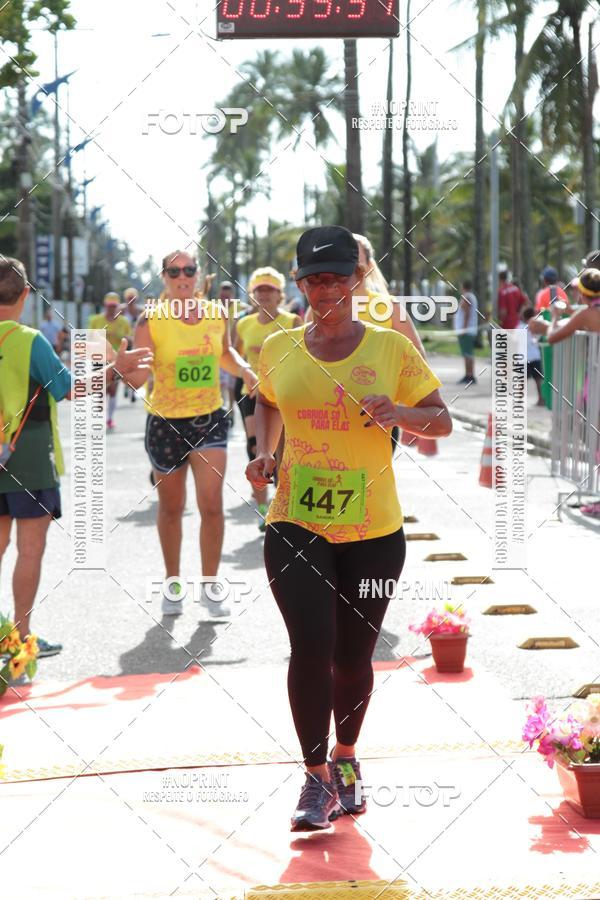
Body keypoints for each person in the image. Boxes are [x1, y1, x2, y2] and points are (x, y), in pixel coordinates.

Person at [246, 227, 451, 831]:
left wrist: (400, 412)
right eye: (313, 280)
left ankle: (346, 758)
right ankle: (315, 781)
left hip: (373, 530)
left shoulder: (391, 348)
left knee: (354, 655)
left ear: (358, 281)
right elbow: (268, 401)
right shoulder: (279, 346)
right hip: (296, 520)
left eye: (337, 278)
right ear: (300, 285)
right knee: (311, 648)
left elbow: (441, 420)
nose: (325, 290)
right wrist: (265, 452)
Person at [0, 258, 152, 660]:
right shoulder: (29, 340)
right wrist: (115, 369)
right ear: (26, 293)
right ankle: (20, 638)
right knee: (29, 550)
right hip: (29, 457)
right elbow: (71, 390)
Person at [129, 250, 258, 619]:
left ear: (198, 274)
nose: (182, 277)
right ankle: (173, 585)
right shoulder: (150, 319)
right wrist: (121, 369)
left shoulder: (216, 313)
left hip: (209, 420)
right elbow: (138, 375)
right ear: (164, 277)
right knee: (171, 509)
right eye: (174, 271)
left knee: (212, 505)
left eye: (189, 269)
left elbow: (225, 352)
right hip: (165, 422)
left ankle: (211, 587)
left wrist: (245, 369)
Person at [234, 267, 302, 531]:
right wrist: (245, 373)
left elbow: (304, 357)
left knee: (284, 453)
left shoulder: (292, 322)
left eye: (269, 290)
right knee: (256, 448)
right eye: (259, 290)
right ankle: (262, 508)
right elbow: (233, 356)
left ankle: (282, 506)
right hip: (251, 395)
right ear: (252, 294)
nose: (264, 294)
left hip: (283, 397)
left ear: (279, 294)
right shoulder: (244, 324)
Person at [88, 293, 133, 429]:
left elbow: (130, 339)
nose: (111, 309)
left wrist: (122, 337)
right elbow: (89, 337)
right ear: (105, 306)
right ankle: (99, 417)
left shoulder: (123, 322)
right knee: (101, 390)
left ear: (117, 306)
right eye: (109, 306)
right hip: (99, 357)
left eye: (114, 306)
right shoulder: (96, 320)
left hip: (116, 359)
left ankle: (109, 418)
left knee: (113, 389)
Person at [217, 281, 238, 422]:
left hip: (233, 353)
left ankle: (231, 411)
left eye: (228, 293)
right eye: (223, 293)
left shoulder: (238, 308)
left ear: (232, 294)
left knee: (231, 387)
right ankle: (223, 411)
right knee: (220, 385)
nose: (225, 295)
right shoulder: (214, 309)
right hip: (218, 353)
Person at [454, 279, 479, 385]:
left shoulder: (467, 297)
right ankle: (469, 374)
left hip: (466, 331)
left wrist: (464, 328)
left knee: (467, 354)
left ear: (463, 286)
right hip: (469, 330)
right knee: (468, 353)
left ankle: (469, 375)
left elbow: (467, 313)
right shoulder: (471, 296)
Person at [520, 308, 545, 406]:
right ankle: (541, 399)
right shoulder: (537, 326)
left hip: (524, 358)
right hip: (535, 356)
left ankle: (519, 400)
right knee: (538, 379)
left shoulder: (520, 327)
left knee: (522, 380)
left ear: (523, 317)